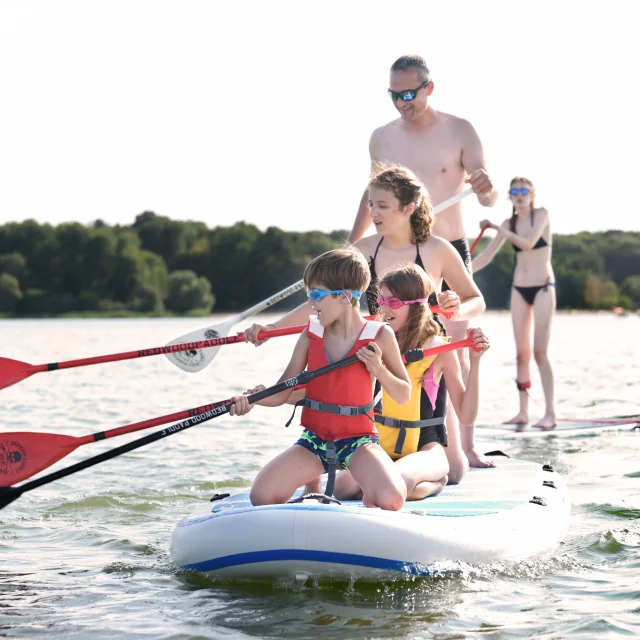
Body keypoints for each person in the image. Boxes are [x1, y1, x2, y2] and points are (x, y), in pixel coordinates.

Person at [244, 164, 491, 474]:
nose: (374, 212)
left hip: (424, 358)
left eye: (382, 205)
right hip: (373, 356)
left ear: (408, 209)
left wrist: (457, 309)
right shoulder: (361, 251)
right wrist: (272, 329)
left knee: (454, 471)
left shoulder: (437, 249)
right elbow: (323, 299)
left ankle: (410, 469)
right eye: (371, 204)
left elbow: (475, 300)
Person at [346, 54, 498, 457]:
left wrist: (487, 187)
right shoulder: (381, 137)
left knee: (452, 351)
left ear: (430, 87)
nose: (401, 103)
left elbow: (488, 197)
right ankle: (400, 439)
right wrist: (351, 246)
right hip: (393, 259)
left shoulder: (460, 129)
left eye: (409, 93)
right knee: (396, 350)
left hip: (444, 253)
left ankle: (465, 448)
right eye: (394, 95)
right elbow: (372, 197)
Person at [229, 247, 412, 510]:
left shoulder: (381, 335)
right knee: (262, 496)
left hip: (357, 442)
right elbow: (282, 393)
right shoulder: (309, 335)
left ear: (346, 297)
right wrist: (253, 400)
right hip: (314, 440)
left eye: (316, 295)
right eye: (308, 295)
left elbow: (404, 394)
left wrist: (379, 369)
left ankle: (366, 488)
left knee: (392, 500)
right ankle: (312, 484)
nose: (311, 304)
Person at [330, 263, 490, 502]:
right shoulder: (375, 341)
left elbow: (466, 416)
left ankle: (434, 481)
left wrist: (475, 362)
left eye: (393, 302)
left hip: (426, 449)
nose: (384, 309)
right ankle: (416, 485)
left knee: (392, 483)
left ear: (417, 307)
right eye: (381, 301)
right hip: (381, 446)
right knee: (341, 488)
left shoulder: (440, 349)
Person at [472, 177, 556, 429]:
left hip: (543, 287)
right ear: (509, 196)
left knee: (540, 352)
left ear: (532, 194)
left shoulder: (541, 214)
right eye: (514, 191)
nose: (519, 195)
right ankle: (522, 412)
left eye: (524, 191)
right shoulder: (509, 223)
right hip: (519, 288)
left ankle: (550, 413)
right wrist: (459, 272)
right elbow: (486, 256)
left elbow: (528, 243)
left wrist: (498, 228)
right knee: (521, 354)